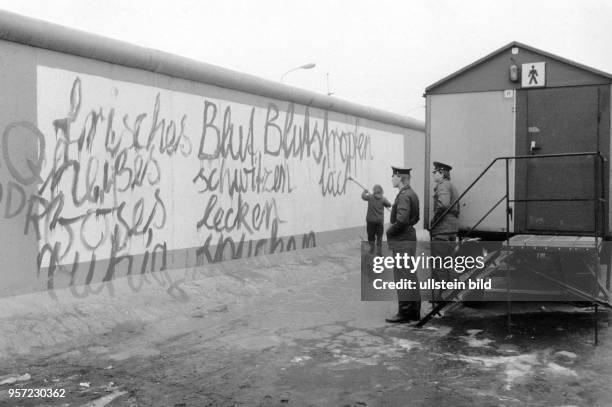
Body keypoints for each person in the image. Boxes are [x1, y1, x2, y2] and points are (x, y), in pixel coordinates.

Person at [385, 166, 421, 323]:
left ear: (400, 177)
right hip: (408, 238)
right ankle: (414, 311)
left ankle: (405, 312)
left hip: (402, 241)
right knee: (410, 275)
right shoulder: (412, 194)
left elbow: (401, 220)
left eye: (393, 176)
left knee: (403, 277)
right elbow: (416, 218)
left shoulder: (404, 196)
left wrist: (389, 232)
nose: (391, 179)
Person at [429, 161, 460, 304]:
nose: (434, 174)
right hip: (452, 229)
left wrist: (434, 221)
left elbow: (443, 204)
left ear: (441, 173)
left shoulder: (443, 186)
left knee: (439, 264)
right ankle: (449, 295)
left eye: (435, 172)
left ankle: (441, 297)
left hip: (442, 231)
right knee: (448, 264)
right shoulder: (451, 186)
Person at [361, 184, 392, 255]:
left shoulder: (370, 197)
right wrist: (384, 204)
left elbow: (363, 197)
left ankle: (372, 250)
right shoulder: (383, 199)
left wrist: (364, 192)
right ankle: (379, 252)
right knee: (379, 236)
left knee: (371, 236)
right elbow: (389, 204)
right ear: (381, 191)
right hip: (379, 221)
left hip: (370, 221)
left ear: (374, 191)